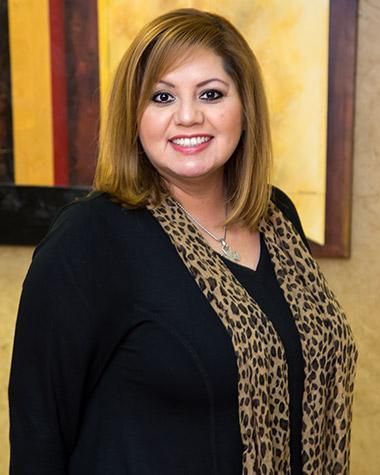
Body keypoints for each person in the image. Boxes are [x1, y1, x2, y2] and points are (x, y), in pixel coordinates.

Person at [8, 8, 358, 475]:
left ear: (244, 108)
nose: (188, 116)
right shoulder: (90, 240)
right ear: (135, 116)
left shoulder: (278, 218)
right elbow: (39, 434)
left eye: (211, 94)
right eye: (162, 97)